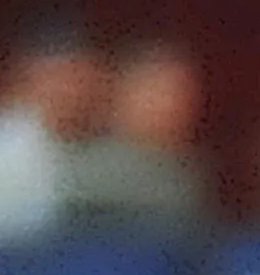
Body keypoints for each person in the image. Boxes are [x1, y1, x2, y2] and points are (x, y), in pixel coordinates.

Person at [0, 11, 107, 245]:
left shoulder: (93, 137)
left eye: (76, 76)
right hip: (3, 261)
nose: (70, 90)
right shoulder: (2, 141)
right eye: (59, 77)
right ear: (31, 78)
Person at [62, 37, 207, 235]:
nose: (172, 106)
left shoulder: (189, 175)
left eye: (181, 94)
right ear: (125, 95)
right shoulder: (89, 178)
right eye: (159, 92)